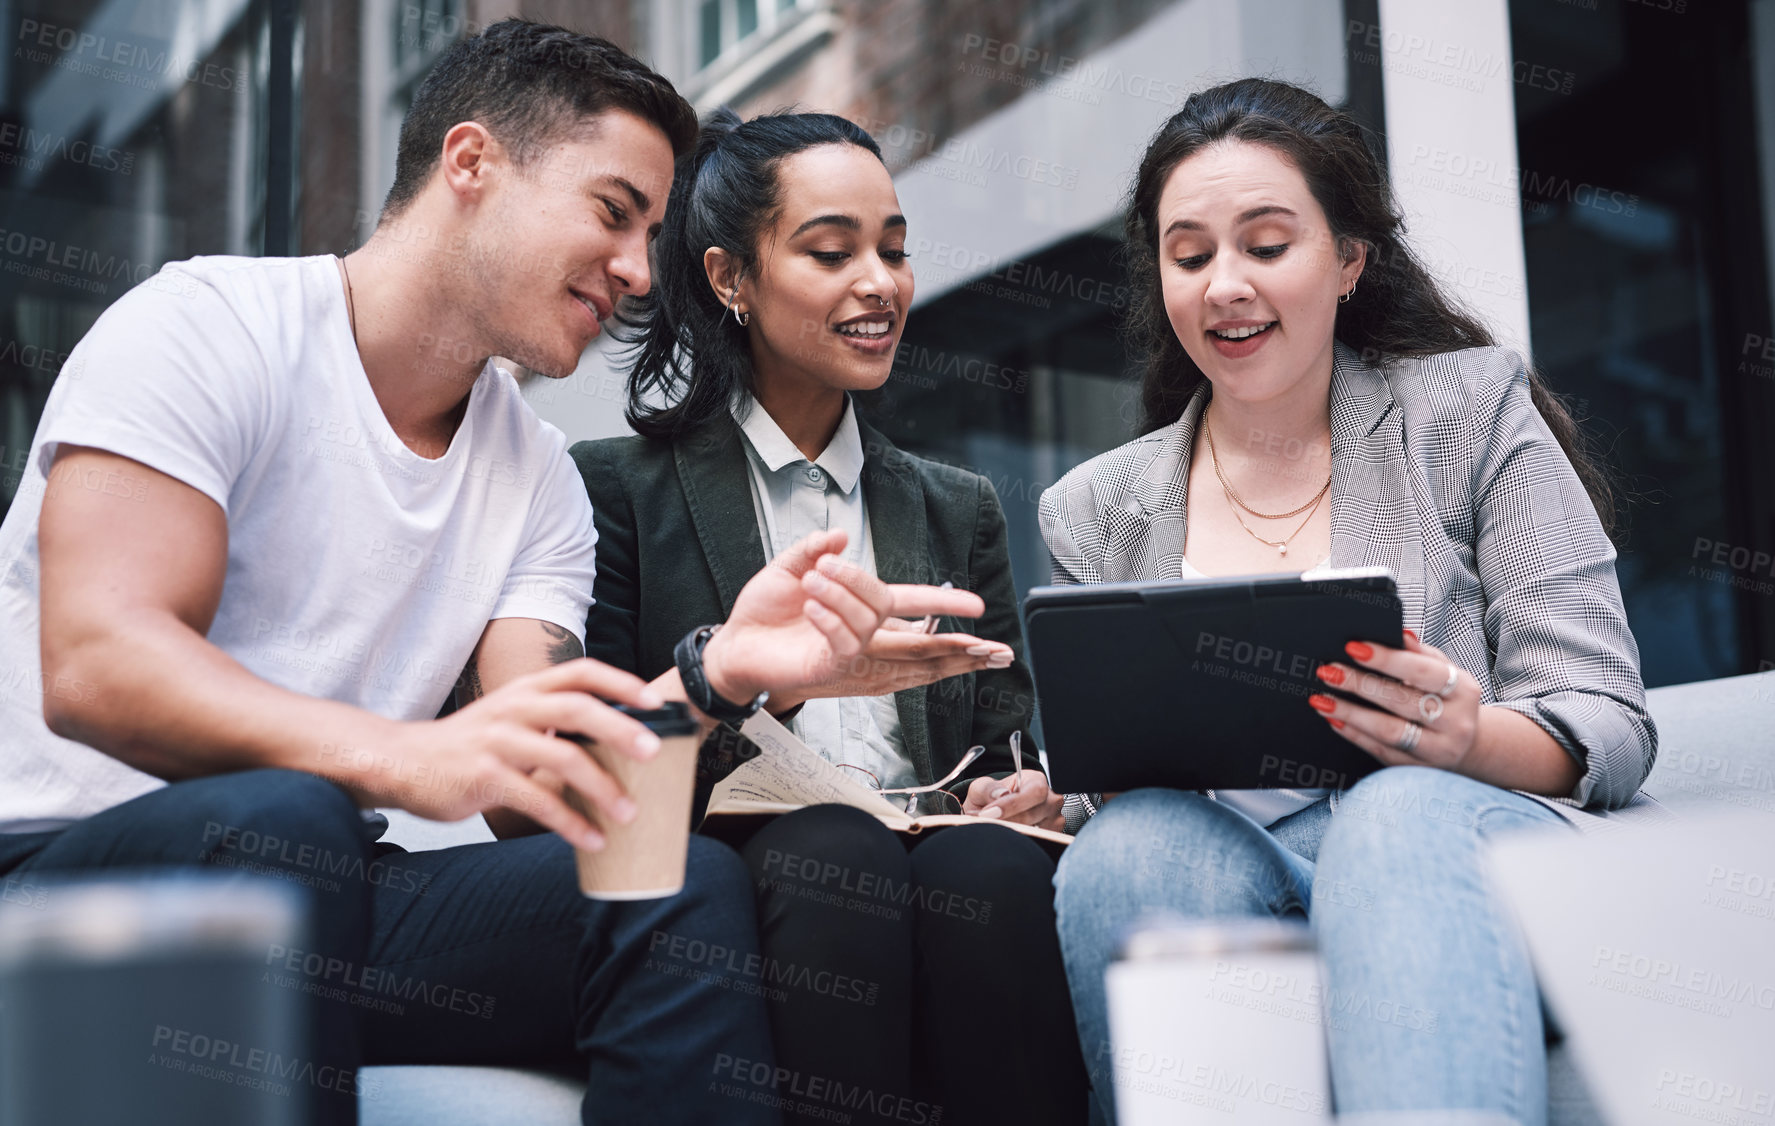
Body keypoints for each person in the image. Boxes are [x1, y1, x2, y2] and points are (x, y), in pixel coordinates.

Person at [0, 22, 993, 1126]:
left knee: (667, 881)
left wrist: (718, 676)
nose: (634, 272)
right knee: (293, 817)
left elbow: (544, 788)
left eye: (652, 236)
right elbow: (96, 664)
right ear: (470, 164)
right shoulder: (207, 329)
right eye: (613, 214)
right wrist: (401, 757)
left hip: (335, 891)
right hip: (64, 878)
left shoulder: (537, 480)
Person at [1039, 78, 1656, 1126]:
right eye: (1188, 256)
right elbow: (1104, 776)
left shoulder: (1468, 409)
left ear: (1349, 261)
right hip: (1243, 879)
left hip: (1459, 855)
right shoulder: (1093, 507)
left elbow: (1605, 715)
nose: (1223, 284)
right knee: (1129, 846)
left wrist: (1468, 736)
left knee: (1394, 810)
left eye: (1265, 245)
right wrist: (1056, 790)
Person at [572, 109, 1088, 1126]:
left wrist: (1014, 791)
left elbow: (997, 740)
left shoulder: (955, 505)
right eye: (831, 250)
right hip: (751, 860)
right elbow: (600, 752)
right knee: (828, 853)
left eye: (892, 250)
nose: (879, 283)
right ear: (729, 279)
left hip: (934, 843)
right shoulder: (616, 490)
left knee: (987, 868)